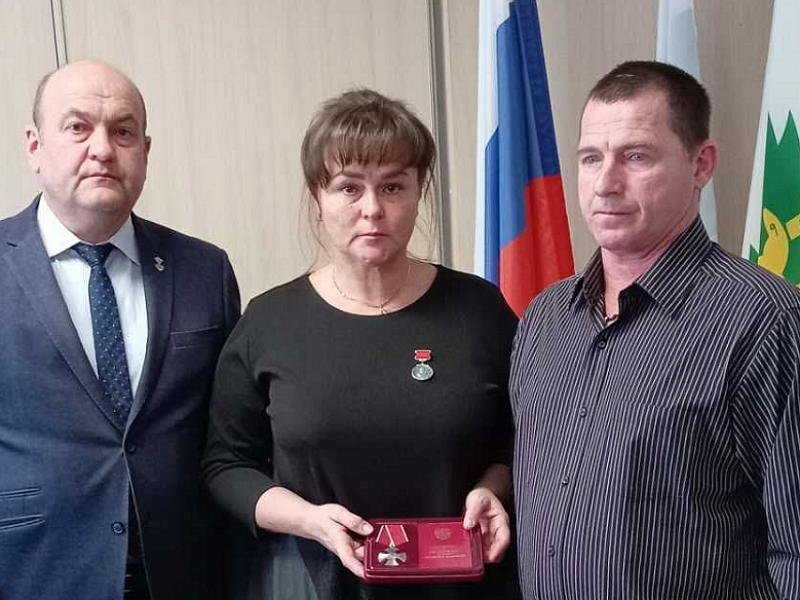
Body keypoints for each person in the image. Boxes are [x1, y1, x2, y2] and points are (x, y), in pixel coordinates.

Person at [202, 88, 521, 600]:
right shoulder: (268, 322)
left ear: (419, 192)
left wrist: (492, 489)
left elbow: (523, 440)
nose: (372, 209)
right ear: (318, 197)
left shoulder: (480, 310)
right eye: (349, 188)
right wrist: (309, 520)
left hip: (467, 586)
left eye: (393, 187)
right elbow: (226, 466)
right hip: (319, 583)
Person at [510, 60, 800, 599]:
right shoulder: (544, 319)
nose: (606, 183)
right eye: (591, 158)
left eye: (636, 156)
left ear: (701, 164)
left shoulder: (764, 318)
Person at [0, 60, 240, 599]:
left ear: (145, 152)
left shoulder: (204, 270)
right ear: (35, 146)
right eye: (78, 127)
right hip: (33, 571)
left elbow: (231, 434)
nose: (103, 149)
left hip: (185, 573)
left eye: (123, 131)